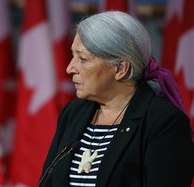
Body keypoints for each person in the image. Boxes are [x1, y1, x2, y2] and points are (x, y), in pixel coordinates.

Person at [39, 11, 194, 187]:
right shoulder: (72, 113)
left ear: (120, 68)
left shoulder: (163, 122)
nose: (70, 68)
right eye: (73, 56)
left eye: (82, 59)